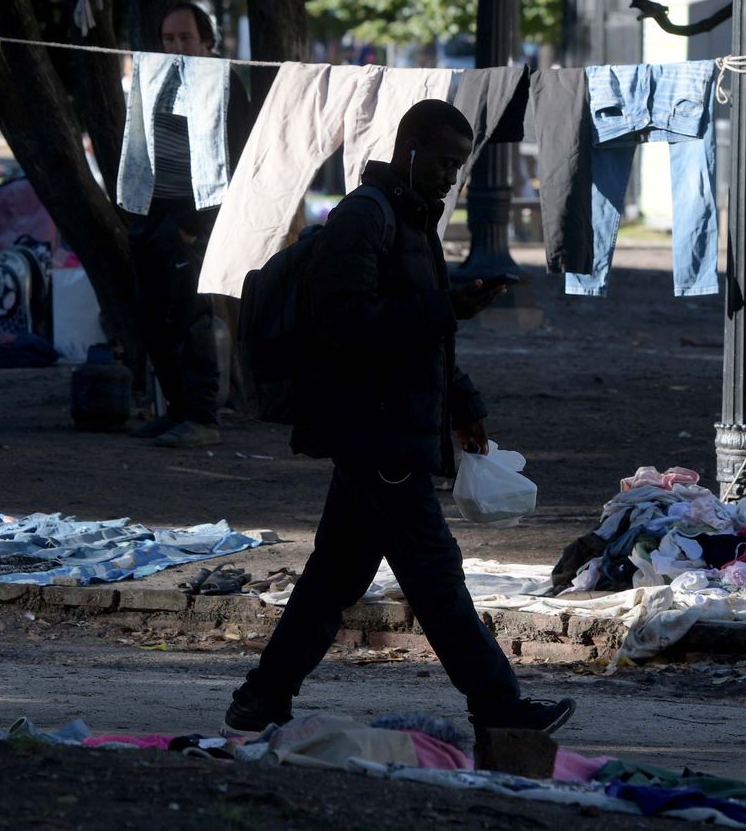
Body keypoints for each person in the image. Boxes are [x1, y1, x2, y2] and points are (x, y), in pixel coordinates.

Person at [223, 99, 575, 736]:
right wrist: (449, 308)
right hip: (374, 428)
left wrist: (464, 404)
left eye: (459, 166)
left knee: (336, 575)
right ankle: (499, 708)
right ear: (409, 151)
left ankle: (262, 697)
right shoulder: (365, 218)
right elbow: (345, 324)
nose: (450, 177)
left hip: (390, 424)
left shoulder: (411, 220)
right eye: (442, 162)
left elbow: (423, 338)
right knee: (434, 573)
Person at [126, 1, 250, 449]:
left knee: (193, 318)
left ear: (206, 41)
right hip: (153, 212)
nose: (177, 46)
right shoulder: (155, 79)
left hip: (196, 216)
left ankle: (202, 417)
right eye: (169, 39)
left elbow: (237, 155)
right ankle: (177, 410)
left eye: (186, 38)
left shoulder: (223, 83)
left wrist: (195, 225)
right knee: (153, 316)